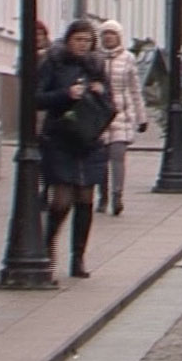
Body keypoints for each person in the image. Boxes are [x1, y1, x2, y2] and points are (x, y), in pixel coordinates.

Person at [37, 20, 112, 279]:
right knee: (61, 199)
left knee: (85, 198)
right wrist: (66, 94)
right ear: (68, 40)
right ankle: (48, 245)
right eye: (78, 39)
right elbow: (37, 98)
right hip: (61, 137)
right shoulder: (53, 63)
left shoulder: (96, 66)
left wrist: (100, 92)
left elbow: (109, 105)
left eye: (87, 41)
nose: (83, 45)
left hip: (89, 139)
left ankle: (78, 257)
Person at [95, 21, 147, 217]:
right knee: (101, 159)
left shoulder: (128, 59)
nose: (108, 37)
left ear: (119, 37)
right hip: (99, 116)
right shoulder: (95, 57)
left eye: (112, 34)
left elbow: (135, 89)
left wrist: (141, 117)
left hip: (121, 115)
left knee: (117, 156)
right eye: (105, 34)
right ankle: (103, 196)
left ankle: (117, 196)